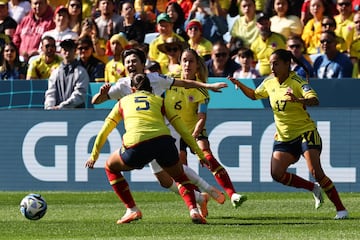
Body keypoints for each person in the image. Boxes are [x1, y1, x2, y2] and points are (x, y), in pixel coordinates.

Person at [92, 48, 228, 214]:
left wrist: (207, 85)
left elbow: (184, 83)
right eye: (128, 62)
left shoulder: (155, 79)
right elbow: (97, 101)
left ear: (143, 64)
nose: (131, 64)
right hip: (143, 135)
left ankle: (203, 194)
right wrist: (100, 95)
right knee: (164, 180)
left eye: (134, 61)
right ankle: (200, 197)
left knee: (175, 168)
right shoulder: (121, 85)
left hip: (163, 130)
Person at [228, 48, 349, 220]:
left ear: (287, 64)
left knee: (316, 172)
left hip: (306, 133)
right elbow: (255, 95)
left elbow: (315, 100)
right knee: (276, 173)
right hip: (284, 136)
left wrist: (299, 100)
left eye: (276, 63)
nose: (272, 67)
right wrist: (240, 85)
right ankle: (312, 188)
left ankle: (341, 209)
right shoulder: (269, 82)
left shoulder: (297, 82)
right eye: (270, 63)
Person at [85, 73, 208, 224]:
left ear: (132, 89)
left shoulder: (123, 101)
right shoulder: (160, 100)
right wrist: (200, 154)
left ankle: (132, 209)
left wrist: (94, 155)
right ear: (151, 89)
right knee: (180, 176)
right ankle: (194, 211)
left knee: (110, 166)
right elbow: (182, 129)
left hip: (136, 146)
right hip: (163, 142)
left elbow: (105, 130)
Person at [165, 48, 247, 208]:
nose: (187, 64)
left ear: (197, 65)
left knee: (207, 158)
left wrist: (193, 136)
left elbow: (202, 118)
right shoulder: (170, 81)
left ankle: (232, 194)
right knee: (181, 168)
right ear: (180, 63)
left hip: (195, 130)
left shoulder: (202, 90)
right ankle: (199, 199)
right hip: (175, 132)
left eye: (191, 61)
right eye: (184, 60)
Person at [44, 39, 89, 109]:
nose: (67, 53)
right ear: (61, 51)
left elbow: (80, 95)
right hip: (57, 114)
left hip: (77, 114)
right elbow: (50, 93)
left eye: (70, 50)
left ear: (75, 51)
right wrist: (50, 107)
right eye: (65, 50)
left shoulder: (81, 71)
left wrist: (62, 106)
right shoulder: (55, 72)